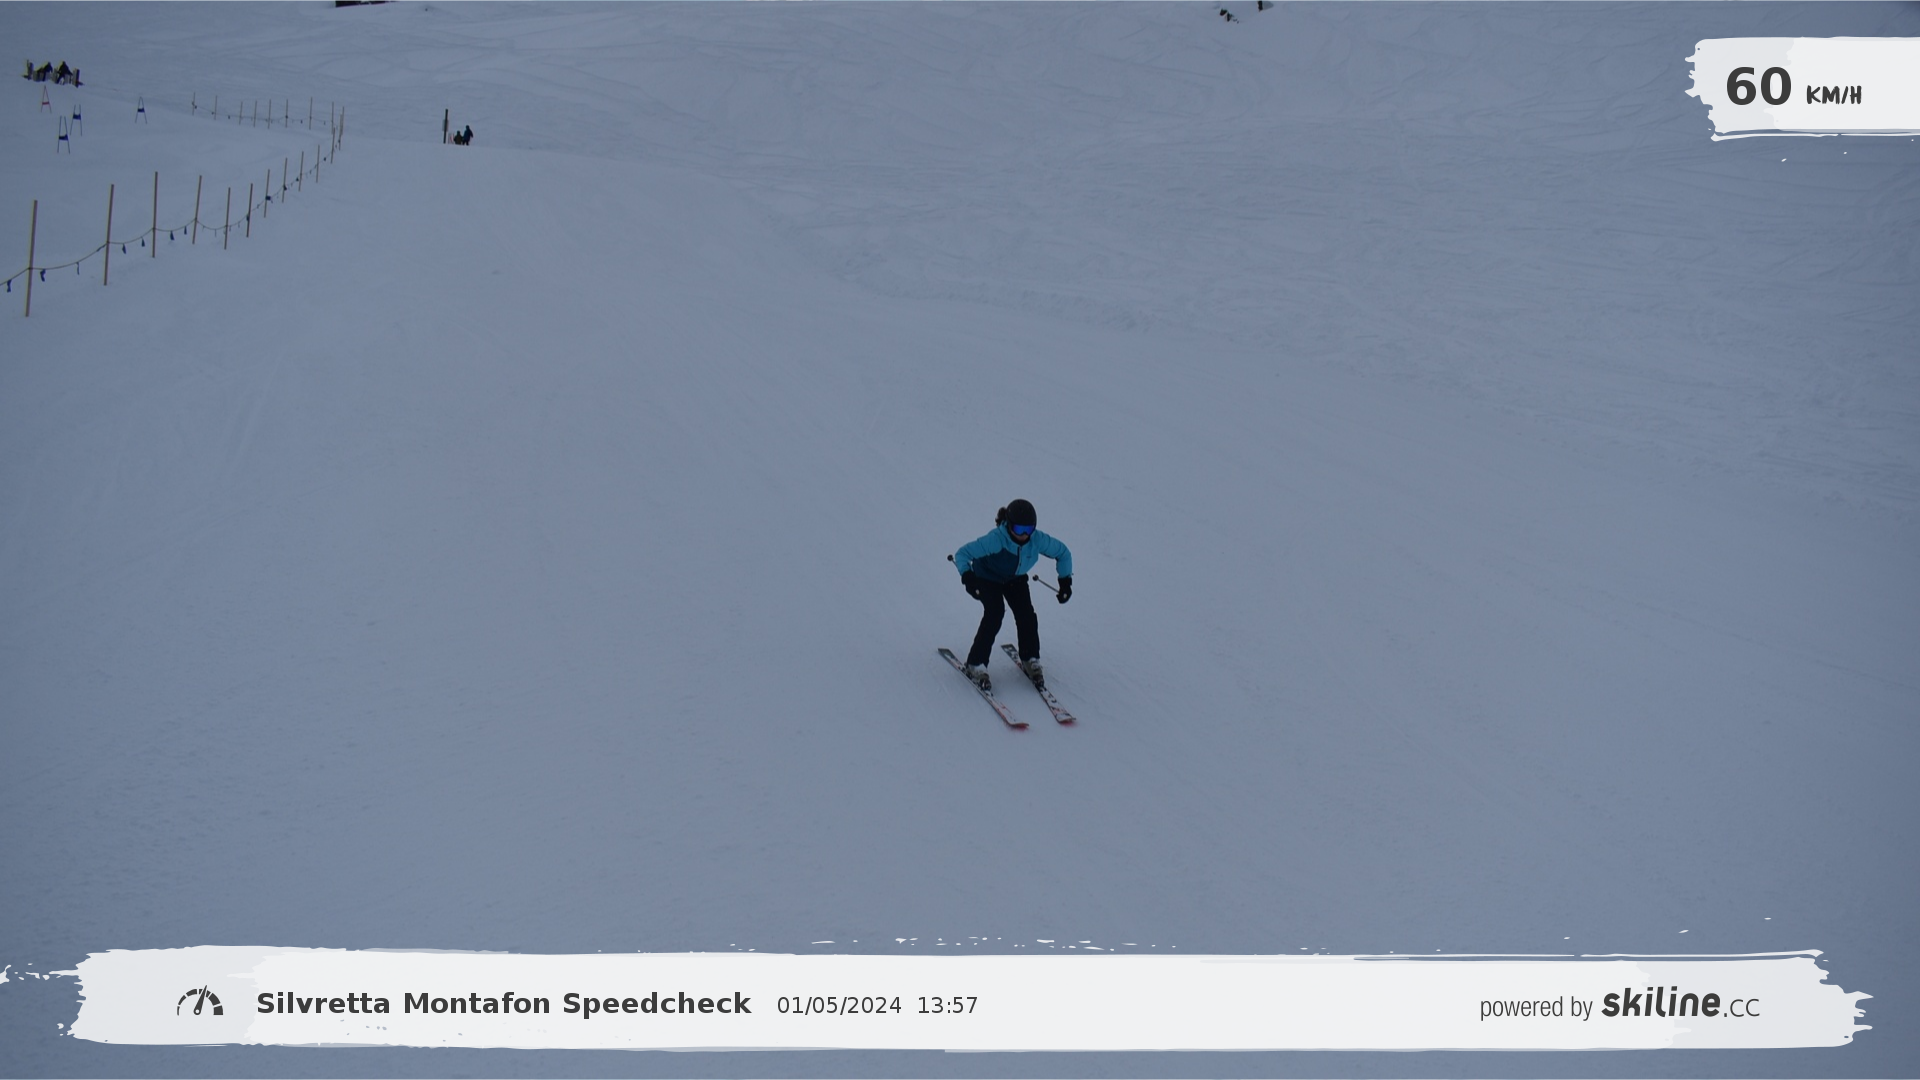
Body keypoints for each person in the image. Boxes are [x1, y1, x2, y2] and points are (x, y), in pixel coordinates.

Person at [952, 499, 1072, 690]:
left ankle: (1030, 657)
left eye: (1029, 529)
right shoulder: (996, 539)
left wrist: (1065, 581)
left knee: (1026, 615)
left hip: (1015, 578)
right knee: (995, 613)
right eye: (1019, 528)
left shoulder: (1037, 539)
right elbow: (962, 554)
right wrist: (968, 577)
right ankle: (976, 663)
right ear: (1008, 525)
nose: (1024, 534)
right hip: (987, 577)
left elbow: (1063, 553)